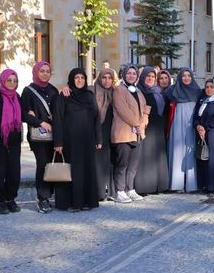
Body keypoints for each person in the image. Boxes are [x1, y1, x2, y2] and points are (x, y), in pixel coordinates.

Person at [52, 68, 102, 212]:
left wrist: (98, 138)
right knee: (73, 171)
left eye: (82, 77)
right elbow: (58, 119)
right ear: (71, 79)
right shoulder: (64, 96)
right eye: (76, 78)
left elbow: (96, 118)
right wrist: (58, 142)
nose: (79, 80)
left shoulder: (89, 95)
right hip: (70, 142)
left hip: (88, 140)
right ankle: (73, 203)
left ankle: (87, 201)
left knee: (87, 170)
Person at [21, 61, 59, 213]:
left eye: (47, 71)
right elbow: (24, 114)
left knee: (52, 164)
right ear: (36, 72)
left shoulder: (53, 90)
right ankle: (42, 198)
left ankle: (52, 194)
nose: (45, 73)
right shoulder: (28, 91)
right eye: (42, 71)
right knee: (43, 165)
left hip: (55, 134)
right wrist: (40, 122)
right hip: (39, 136)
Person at [111, 65, 150, 203]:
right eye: (129, 73)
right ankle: (120, 191)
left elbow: (145, 109)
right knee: (122, 164)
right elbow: (123, 110)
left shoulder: (138, 91)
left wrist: (143, 123)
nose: (132, 75)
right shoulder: (118, 90)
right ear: (124, 75)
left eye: (134, 73)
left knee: (133, 164)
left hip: (138, 133)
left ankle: (130, 189)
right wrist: (137, 124)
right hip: (123, 132)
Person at [0, 69, 23, 214]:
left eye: (15, 81)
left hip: (14, 140)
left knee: (14, 172)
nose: (12, 83)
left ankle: (11, 198)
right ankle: (1, 201)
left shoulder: (18, 96)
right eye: (9, 80)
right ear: (3, 80)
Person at [135, 67, 170, 195]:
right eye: (148, 76)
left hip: (158, 127)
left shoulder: (159, 92)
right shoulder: (139, 91)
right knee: (146, 156)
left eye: (153, 77)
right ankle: (145, 186)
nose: (150, 79)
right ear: (143, 77)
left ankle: (159, 185)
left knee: (158, 156)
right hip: (146, 128)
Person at [166, 68, 202, 192]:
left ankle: (191, 183)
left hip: (191, 121)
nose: (186, 78)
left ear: (192, 77)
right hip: (177, 121)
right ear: (180, 77)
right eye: (184, 76)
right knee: (177, 149)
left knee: (190, 148)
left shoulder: (197, 91)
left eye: (189, 76)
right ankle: (177, 184)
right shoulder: (172, 90)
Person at [93, 68, 117, 201]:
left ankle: (111, 191)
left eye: (109, 78)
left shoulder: (115, 92)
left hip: (112, 132)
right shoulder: (93, 91)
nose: (107, 81)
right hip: (98, 132)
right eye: (104, 77)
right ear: (99, 78)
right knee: (99, 162)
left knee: (111, 161)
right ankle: (99, 191)